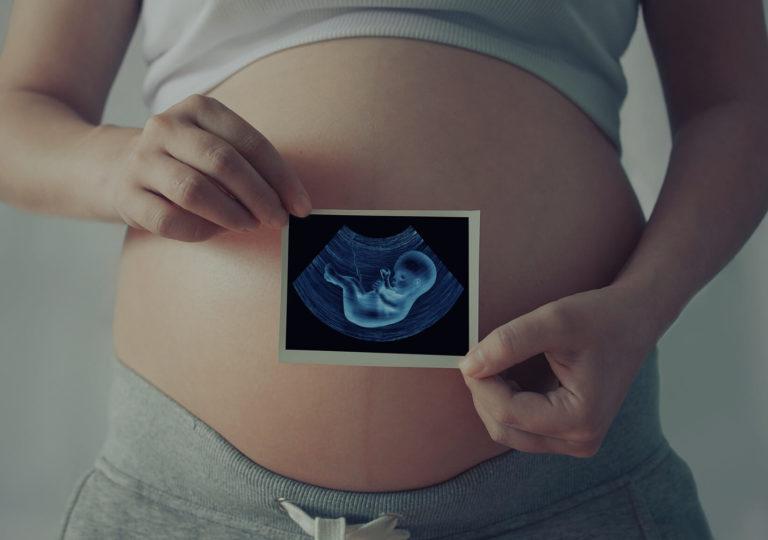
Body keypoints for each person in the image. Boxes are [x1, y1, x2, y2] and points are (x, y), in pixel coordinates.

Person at [1, 0, 766, 538]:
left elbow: (738, 108)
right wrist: (112, 164)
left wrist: (643, 307)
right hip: (187, 498)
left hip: (559, 498)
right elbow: (19, 109)